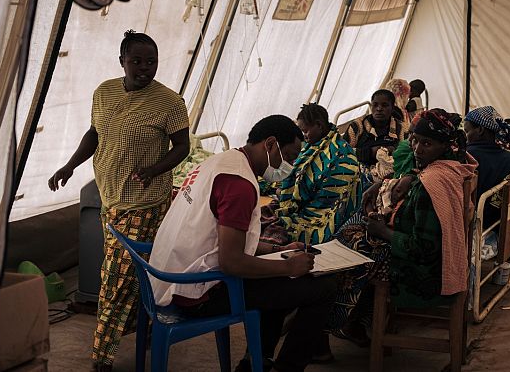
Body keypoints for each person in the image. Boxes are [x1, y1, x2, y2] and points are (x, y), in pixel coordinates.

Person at [47, 30, 190, 372]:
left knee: (114, 278)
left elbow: (183, 147)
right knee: (134, 274)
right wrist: (69, 165)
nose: (144, 68)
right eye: (136, 61)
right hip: (111, 199)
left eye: (151, 61)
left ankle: (102, 356)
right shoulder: (104, 92)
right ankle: (149, 324)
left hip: (146, 204)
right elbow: (95, 133)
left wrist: (155, 169)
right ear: (122, 61)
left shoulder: (170, 103)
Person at [149, 115, 337, 372]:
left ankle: (255, 362)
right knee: (324, 287)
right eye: (289, 157)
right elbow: (231, 263)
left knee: (278, 283)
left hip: (168, 276)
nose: (290, 166)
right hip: (195, 293)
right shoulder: (239, 184)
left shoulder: (221, 162)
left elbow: (223, 239)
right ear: (270, 144)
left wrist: (277, 250)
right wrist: (288, 267)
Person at [327, 109, 476, 348]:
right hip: (430, 258)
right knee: (352, 229)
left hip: (424, 272)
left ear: (444, 146)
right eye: (415, 140)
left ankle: (341, 320)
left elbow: (423, 248)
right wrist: (384, 185)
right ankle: (357, 318)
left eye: (427, 143)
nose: (417, 149)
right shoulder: (447, 168)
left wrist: (383, 231)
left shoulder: (431, 184)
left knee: (349, 251)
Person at [259, 103, 361, 246]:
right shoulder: (314, 144)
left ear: (319, 125)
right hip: (305, 202)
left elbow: (325, 191)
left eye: (305, 131)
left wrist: (287, 193)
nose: (303, 135)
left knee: (276, 231)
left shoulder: (339, 154)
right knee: (256, 216)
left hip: (324, 211)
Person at [463, 106, 510, 225]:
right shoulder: (509, 157)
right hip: (499, 221)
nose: (466, 136)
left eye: (467, 131)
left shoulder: (468, 156)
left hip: (474, 223)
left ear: (480, 130)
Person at [343, 89, 407, 170]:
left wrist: (392, 151)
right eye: (375, 105)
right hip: (358, 171)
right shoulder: (357, 126)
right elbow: (342, 152)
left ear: (392, 108)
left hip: (389, 171)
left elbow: (404, 155)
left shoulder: (400, 129)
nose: (379, 109)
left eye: (384, 105)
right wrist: (370, 152)